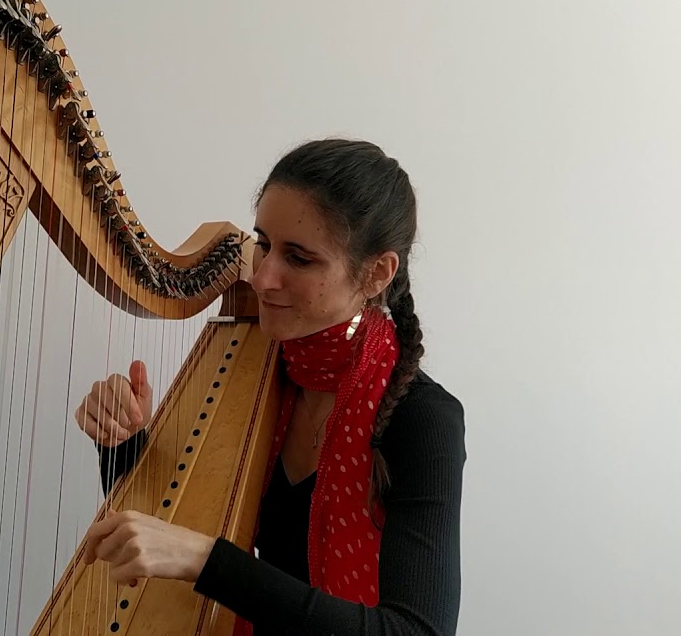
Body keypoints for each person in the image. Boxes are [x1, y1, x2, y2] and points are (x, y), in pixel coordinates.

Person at [72, 139, 466, 635]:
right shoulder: (262, 367)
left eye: (298, 259)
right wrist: (123, 443)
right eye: (264, 244)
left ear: (375, 274)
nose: (262, 278)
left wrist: (205, 559)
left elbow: (415, 631)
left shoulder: (423, 417)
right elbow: (161, 530)